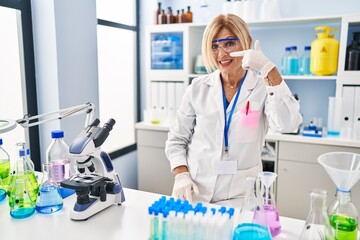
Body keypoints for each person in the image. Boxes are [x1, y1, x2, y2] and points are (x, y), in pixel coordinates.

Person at [165, 14, 302, 207]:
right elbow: (177, 138)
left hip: (240, 197)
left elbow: (288, 124)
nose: (221, 55)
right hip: (194, 191)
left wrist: (268, 70)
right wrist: (181, 176)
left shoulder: (263, 88)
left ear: (246, 42)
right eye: (214, 46)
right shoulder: (198, 87)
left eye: (229, 44)